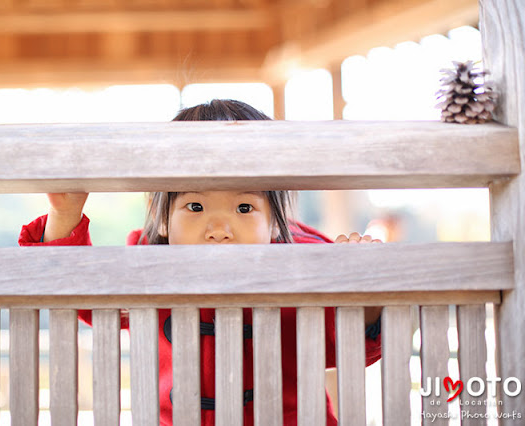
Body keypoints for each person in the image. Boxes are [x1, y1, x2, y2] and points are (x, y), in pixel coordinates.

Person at [19, 99, 383, 425]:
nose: (219, 229)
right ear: (162, 218)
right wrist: (64, 214)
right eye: (195, 206)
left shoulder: (302, 267)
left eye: (244, 207)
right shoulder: (148, 266)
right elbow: (87, 300)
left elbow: (352, 348)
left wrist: (363, 292)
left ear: (275, 221)